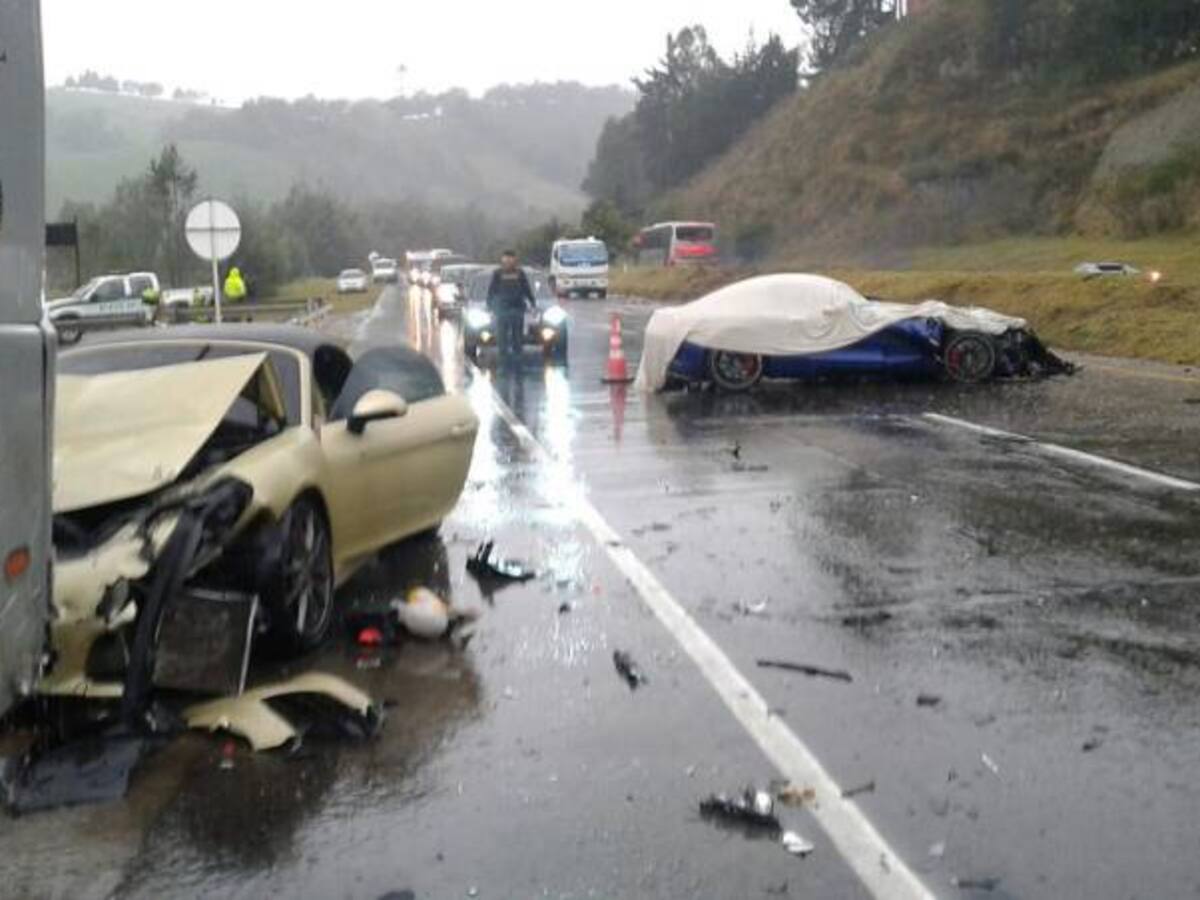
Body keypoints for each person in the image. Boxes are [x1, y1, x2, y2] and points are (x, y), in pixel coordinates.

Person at [486, 250, 536, 363]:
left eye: (510, 259)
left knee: (517, 335)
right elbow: (492, 290)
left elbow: (526, 288)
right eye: (506, 259)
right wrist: (489, 304)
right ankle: (503, 357)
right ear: (502, 260)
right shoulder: (497, 273)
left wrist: (532, 301)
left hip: (517, 309)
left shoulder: (520, 273)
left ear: (515, 260)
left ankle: (517, 356)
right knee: (502, 336)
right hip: (502, 309)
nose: (508, 262)